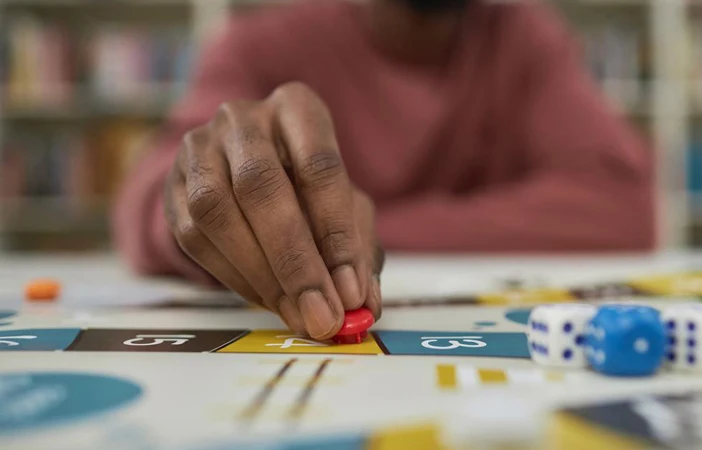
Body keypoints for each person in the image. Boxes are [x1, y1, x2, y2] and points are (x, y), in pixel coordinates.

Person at [112, 0, 655, 341]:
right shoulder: (260, 42)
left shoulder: (525, 37)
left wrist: (355, 230)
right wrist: (206, 202)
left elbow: (624, 206)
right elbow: (151, 194)